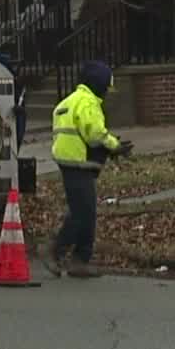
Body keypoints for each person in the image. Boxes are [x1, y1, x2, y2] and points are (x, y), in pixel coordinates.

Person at [44, 60, 133, 278]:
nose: (106, 92)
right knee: (82, 214)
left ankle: (80, 260)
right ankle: (56, 251)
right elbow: (95, 134)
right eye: (105, 87)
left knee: (84, 211)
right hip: (80, 162)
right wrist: (115, 146)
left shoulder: (68, 101)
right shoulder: (88, 103)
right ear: (99, 84)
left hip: (68, 162)